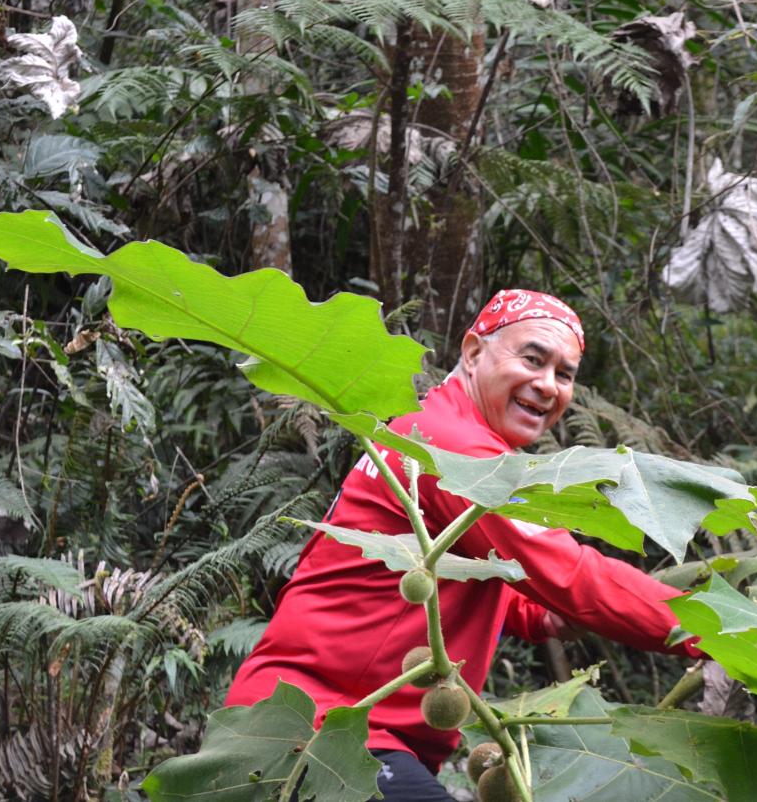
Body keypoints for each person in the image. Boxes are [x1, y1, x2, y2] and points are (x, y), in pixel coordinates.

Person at [226, 289, 700, 801]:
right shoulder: (455, 450)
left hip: (337, 729)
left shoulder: (436, 433)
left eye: (564, 374)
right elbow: (569, 574)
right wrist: (712, 634)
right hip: (324, 728)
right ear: (473, 352)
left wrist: (538, 616)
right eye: (533, 359)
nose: (547, 385)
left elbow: (476, 566)